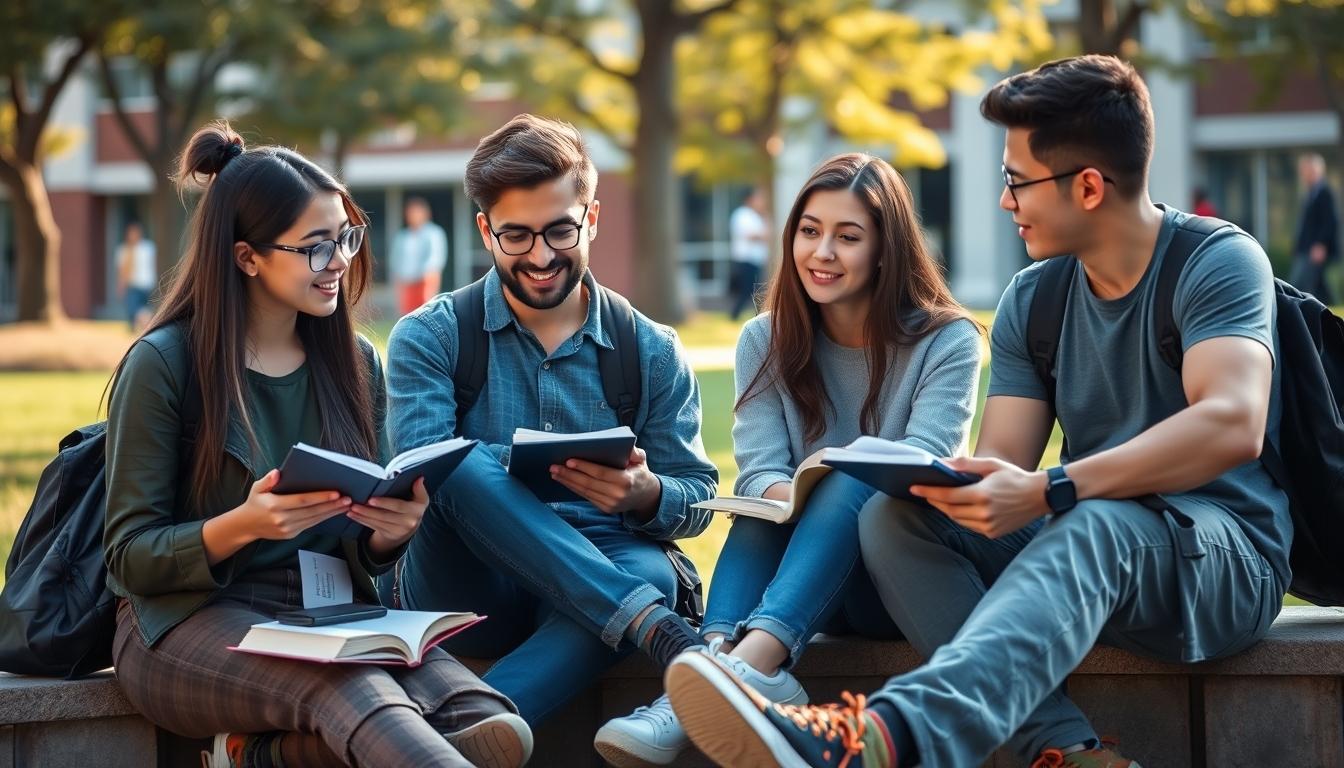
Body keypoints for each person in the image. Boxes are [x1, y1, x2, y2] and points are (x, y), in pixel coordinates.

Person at [666, 54, 1289, 768]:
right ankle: (1067, 751)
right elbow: (1000, 470)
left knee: (1101, 522)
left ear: (1087, 186)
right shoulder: (1036, 297)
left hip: (1218, 557)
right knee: (896, 516)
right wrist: (944, 487)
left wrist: (1059, 487)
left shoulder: (1215, 260)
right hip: (1091, 542)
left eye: (1016, 182)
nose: (1004, 201)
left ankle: (882, 738)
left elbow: (1232, 422)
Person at [105, 121, 530, 768]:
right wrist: (242, 525)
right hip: (180, 624)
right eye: (315, 247)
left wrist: (391, 531)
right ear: (247, 257)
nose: (340, 262)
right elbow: (130, 559)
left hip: (326, 613)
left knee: (488, 722)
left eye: (346, 238)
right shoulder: (164, 365)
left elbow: (364, 552)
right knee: (360, 695)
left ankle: (254, 757)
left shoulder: (355, 361)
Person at [594, 153, 983, 767]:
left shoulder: (946, 339)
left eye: (847, 237)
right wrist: (798, 496)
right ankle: (714, 666)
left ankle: (747, 667)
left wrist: (828, 481)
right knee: (759, 508)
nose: (822, 252)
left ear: (887, 249)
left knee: (861, 474)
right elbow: (759, 471)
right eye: (809, 231)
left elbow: (922, 465)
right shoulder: (766, 339)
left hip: (897, 581)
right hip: (806, 579)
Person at [382, 114, 718, 728]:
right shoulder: (430, 336)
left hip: (598, 574)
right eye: (517, 236)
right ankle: (658, 629)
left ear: (592, 218)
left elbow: (698, 496)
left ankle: (459, 732)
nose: (540, 256)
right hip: (468, 589)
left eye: (560, 231)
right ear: (486, 231)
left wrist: (647, 495)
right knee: (450, 462)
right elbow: (417, 480)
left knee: (649, 573)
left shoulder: (651, 348)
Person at [1289, 153, 1338, 304]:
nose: (1304, 175)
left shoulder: (1324, 193)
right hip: (1305, 248)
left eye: (1307, 171)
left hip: (1315, 249)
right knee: (1319, 285)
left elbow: (1330, 221)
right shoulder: (1310, 193)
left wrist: (1321, 244)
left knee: (1299, 284)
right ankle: (1329, 308)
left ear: (1317, 171)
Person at [391, 196, 449, 315]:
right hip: (406, 281)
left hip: (425, 280)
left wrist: (427, 276)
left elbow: (435, 258)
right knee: (407, 315)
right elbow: (396, 259)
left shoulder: (434, 233)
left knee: (425, 313)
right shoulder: (402, 236)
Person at [728, 187, 771, 320]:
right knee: (749, 290)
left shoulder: (755, 215)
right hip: (746, 260)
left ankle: (760, 315)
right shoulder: (743, 215)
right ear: (750, 199)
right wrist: (762, 235)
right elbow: (752, 235)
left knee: (754, 290)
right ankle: (736, 315)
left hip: (755, 260)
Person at [115, 220, 157, 330]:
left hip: (146, 284)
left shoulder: (148, 248)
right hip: (132, 284)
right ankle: (137, 326)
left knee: (142, 308)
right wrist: (121, 285)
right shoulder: (123, 250)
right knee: (132, 309)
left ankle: (145, 324)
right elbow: (122, 270)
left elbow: (152, 265)